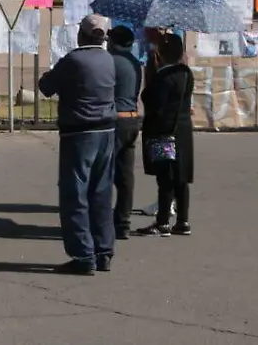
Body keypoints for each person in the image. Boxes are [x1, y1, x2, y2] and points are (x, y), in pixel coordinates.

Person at [38, 14, 118, 275]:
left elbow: (46, 87)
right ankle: (104, 250)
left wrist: (52, 75)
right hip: (106, 129)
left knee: (75, 194)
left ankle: (83, 255)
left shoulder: (74, 59)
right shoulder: (108, 59)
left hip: (79, 132)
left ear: (80, 34)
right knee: (101, 192)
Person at [135, 34, 194, 238]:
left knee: (165, 177)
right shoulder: (186, 73)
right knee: (181, 177)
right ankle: (183, 220)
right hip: (183, 131)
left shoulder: (163, 77)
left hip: (164, 132)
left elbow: (154, 103)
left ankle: (162, 223)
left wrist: (150, 77)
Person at [107, 25, 144, 239]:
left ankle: (101, 220)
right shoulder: (134, 62)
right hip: (132, 120)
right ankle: (123, 222)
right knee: (125, 176)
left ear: (113, 42)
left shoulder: (111, 61)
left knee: (103, 172)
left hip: (115, 121)